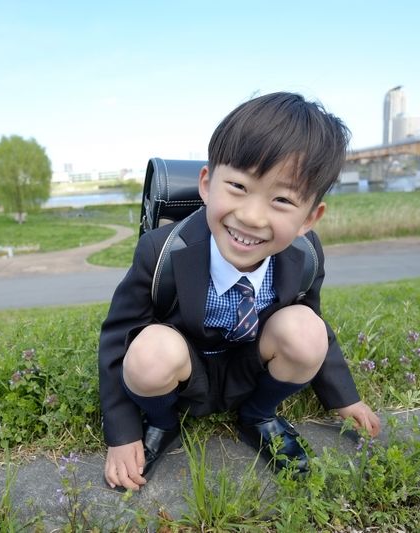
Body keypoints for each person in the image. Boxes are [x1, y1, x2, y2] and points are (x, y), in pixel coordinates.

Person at [98, 92, 381, 491]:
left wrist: (343, 397)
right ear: (207, 184)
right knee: (149, 352)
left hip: (249, 368)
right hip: (185, 370)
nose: (251, 216)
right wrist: (122, 432)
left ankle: (258, 415)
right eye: (238, 186)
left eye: (282, 199)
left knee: (305, 330)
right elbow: (116, 337)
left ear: (309, 219)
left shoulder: (305, 255)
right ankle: (162, 422)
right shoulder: (161, 250)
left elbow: (315, 323)